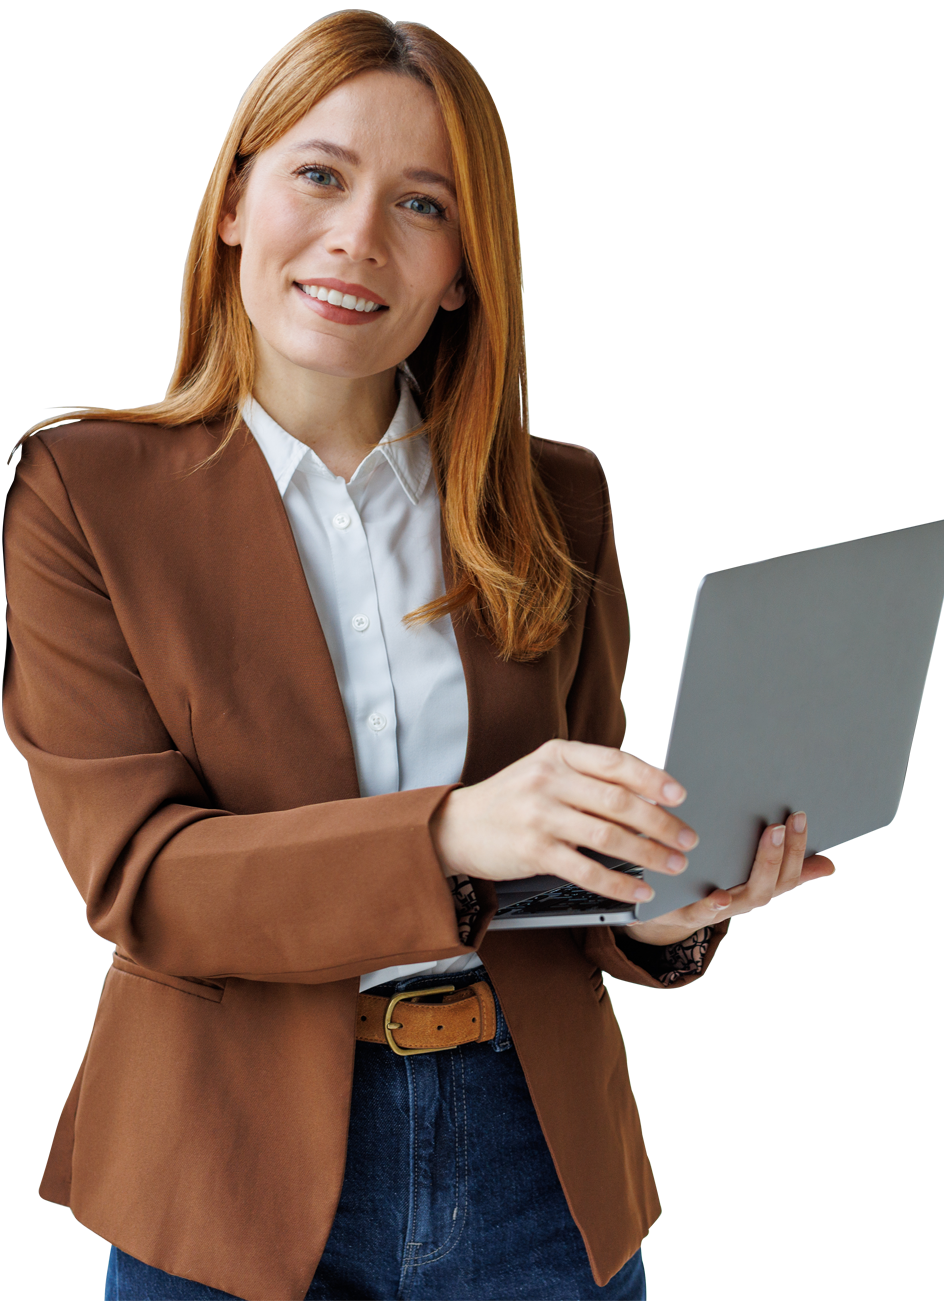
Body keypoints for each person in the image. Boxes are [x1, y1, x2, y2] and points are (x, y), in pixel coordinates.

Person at [3, 15, 833, 1301]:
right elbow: (143, 879)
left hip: (533, 1156)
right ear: (232, 205)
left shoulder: (555, 500)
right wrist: (448, 831)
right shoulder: (79, 494)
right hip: (227, 1168)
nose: (355, 237)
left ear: (461, 268)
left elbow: (568, 870)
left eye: (421, 203)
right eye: (319, 176)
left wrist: (664, 907)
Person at [709, 283, 830, 500]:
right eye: (762, 314)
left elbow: (824, 431)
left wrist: (788, 447)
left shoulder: (806, 373)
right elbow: (715, 428)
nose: (768, 322)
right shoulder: (737, 369)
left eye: (775, 313)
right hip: (740, 485)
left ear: (790, 317)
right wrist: (736, 453)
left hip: (788, 486)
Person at [847, 272, 944, 469]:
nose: (891, 307)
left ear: (924, 305)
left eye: (901, 299)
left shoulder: (940, 370)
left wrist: (884, 445)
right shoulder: (900, 361)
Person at [586, 275, 628, 411]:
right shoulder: (588, 359)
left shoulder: (597, 354)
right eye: (622, 301)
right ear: (602, 305)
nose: (628, 311)